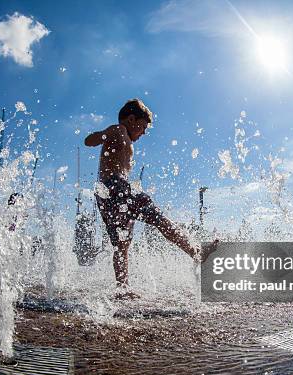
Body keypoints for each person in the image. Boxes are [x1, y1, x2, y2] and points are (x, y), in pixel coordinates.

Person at [84, 99, 218, 298]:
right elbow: (89, 140)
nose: (144, 133)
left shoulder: (123, 136)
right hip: (117, 188)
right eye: (143, 127)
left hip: (107, 193)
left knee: (122, 242)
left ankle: (122, 288)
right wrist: (103, 135)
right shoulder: (118, 130)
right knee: (157, 217)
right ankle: (195, 251)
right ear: (131, 119)